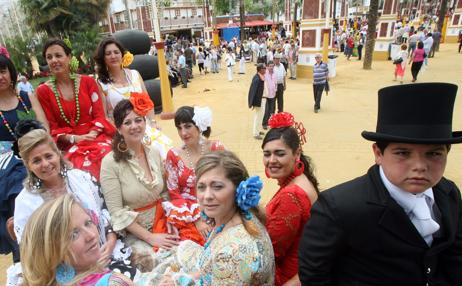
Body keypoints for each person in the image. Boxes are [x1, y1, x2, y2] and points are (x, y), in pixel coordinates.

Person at [299, 83, 462, 285]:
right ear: (378, 153)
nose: (420, 166)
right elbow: (314, 274)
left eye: (434, 154)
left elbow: (455, 258)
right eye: (403, 153)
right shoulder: (339, 207)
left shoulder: (448, 194)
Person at [13, 124, 136, 279]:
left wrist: (110, 243)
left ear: (58, 154)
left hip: (105, 256)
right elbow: (33, 252)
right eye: (36, 161)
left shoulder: (81, 178)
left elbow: (104, 212)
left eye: (49, 156)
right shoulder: (25, 203)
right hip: (64, 273)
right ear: (28, 166)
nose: (45, 164)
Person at [136, 151, 275, 285]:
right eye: (201, 187)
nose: (207, 196)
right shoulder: (239, 216)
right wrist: (182, 279)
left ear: (238, 189)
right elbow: (209, 269)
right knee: (181, 248)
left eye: (217, 187)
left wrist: (178, 281)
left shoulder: (232, 254)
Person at [0, 42, 48, 263]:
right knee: (16, 196)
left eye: (3, 70)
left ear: (11, 72)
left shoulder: (26, 97)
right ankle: (26, 257)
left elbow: (45, 127)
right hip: (6, 162)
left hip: (34, 151)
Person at [100, 99, 177, 272]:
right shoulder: (110, 163)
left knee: (186, 252)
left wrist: (171, 220)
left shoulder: (155, 152)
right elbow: (116, 213)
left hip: (163, 222)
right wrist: (150, 237)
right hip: (136, 233)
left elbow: (165, 193)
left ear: (145, 122)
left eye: (138, 120)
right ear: (119, 129)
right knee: (154, 264)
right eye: (127, 122)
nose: (134, 126)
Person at [36, 39, 116, 180]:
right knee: (79, 166)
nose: (54, 60)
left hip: (96, 135)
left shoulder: (88, 82)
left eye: (58, 55)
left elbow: (99, 115)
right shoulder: (43, 91)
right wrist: (75, 138)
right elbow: (52, 127)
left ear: (69, 57)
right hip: (68, 143)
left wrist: (91, 134)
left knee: (111, 155)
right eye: (49, 57)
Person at [20, 194, 135, 286]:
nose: (91, 235)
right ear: (53, 251)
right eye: (74, 235)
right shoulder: (114, 282)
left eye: (88, 223)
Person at [262, 112, 319, 286]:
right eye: (267, 154)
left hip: (285, 277)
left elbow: (270, 252)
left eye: (279, 153)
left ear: (297, 154)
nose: (272, 160)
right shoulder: (301, 181)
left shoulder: (291, 196)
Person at [94, 37, 172, 159]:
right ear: (103, 58)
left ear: (122, 54)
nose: (113, 56)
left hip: (144, 126)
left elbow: (148, 102)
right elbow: (104, 116)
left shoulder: (135, 74)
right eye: (108, 54)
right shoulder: (101, 83)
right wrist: (120, 131)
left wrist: (152, 123)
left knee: (162, 151)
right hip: (122, 131)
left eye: (116, 52)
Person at [163, 106, 225, 245]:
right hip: (187, 215)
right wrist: (197, 220)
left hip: (217, 207)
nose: (183, 133)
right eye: (179, 128)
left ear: (199, 126)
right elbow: (174, 193)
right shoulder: (173, 155)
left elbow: (228, 181)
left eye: (188, 126)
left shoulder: (216, 148)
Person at [248, 63, 267, 140]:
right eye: (264, 68)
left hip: (263, 99)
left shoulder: (261, 77)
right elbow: (252, 91)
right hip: (259, 100)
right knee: (258, 117)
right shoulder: (257, 78)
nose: (265, 69)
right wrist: (251, 103)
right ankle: (255, 133)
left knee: (261, 116)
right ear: (260, 69)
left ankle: (258, 130)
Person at [262, 61, 277, 129]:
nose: (271, 67)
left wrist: (275, 90)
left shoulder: (274, 74)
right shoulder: (265, 74)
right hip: (266, 95)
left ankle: (269, 122)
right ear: (267, 66)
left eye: (272, 66)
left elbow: (275, 83)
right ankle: (264, 123)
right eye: (270, 66)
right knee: (266, 110)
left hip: (273, 94)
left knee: (271, 110)